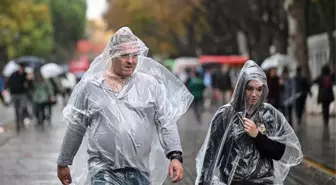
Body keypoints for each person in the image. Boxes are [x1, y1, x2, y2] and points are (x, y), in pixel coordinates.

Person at [57, 27, 193, 185]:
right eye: (124, 55)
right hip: (103, 171)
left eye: (135, 55)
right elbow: (76, 126)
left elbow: (166, 121)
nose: (131, 61)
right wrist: (63, 161)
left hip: (139, 172)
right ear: (112, 55)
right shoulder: (91, 87)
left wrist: (175, 156)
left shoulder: (149, 85)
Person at [195, 60, 302, 185]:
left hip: (264, 181)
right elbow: (211, 153)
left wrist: (258, 136)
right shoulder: (225, 115)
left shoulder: (269, 115)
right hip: (233, 181)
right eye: (249, 88)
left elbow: (279, 153)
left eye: (259, 89)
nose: (254, 94)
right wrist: (203, 182)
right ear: (241, 88)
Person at [5, 63, 31, 132]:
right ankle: (18, 123)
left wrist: (28, 80)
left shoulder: (25, 75)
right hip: (14, 94)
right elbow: (8, 83)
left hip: (22, 94)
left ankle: (22, 120)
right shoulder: (13, 75)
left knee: (23, 107)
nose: (21, 70)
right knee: (16, 109)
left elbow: (29, 83)